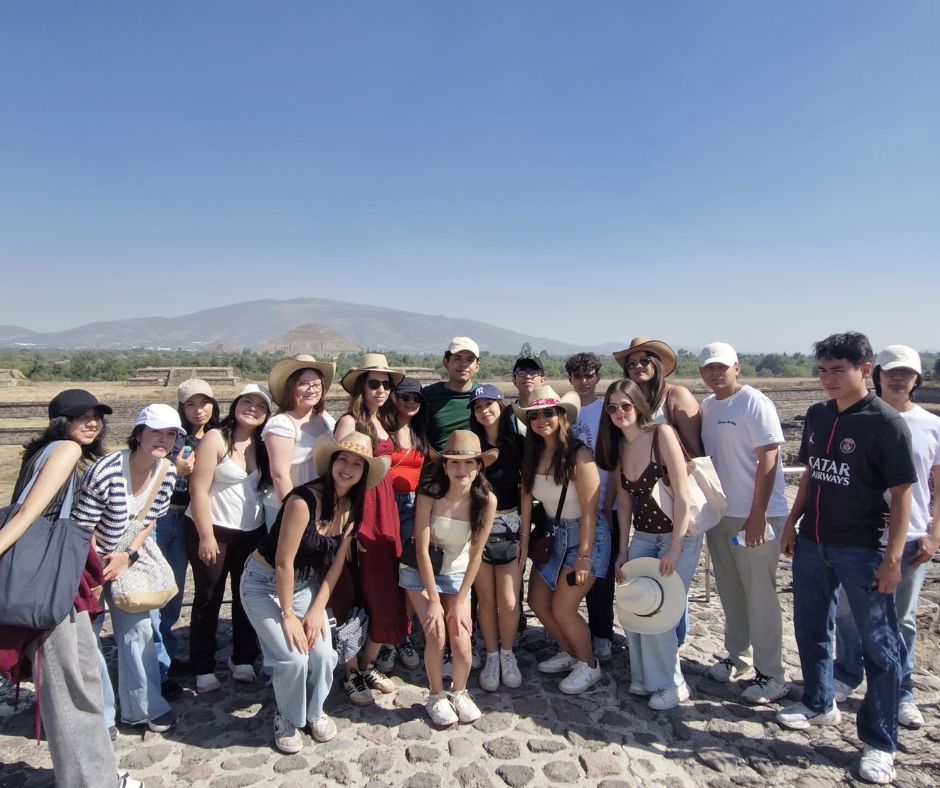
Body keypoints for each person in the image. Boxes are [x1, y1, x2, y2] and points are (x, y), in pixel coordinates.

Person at [779, 332, 915, 786]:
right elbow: (811, 475)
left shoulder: (886, 424)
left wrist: (893, 558)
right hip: (814, 542)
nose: (828, 378)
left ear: (865, 369)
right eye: (823, 370)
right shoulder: (818, 415)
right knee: (811, 626)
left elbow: (902, 497)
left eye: (838, 370)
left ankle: (880, 742)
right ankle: (819, 702)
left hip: (862, 549)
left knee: (880, 647)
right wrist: (792, 521)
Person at [1, 390, 143, 788]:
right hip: (53, 577)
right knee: (72, 688)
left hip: (55, 575)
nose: (92, 423)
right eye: (81, 416)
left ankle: (98, 774)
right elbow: (28, 514)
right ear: (59, 422)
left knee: (81, 681)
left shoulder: (42, 454)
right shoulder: (65, 450)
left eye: (96, 416)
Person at [241, 431, 391, 753]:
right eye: (342, 459)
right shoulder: (303, 501)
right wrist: (289, 616)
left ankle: (315, 711)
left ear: (364, 472)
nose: (348, 468)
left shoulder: (352, 508)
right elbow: (283, 562)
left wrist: (315, 610)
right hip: (264, 584)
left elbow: (335, 566)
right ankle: (287, 717)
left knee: (323, 653)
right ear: (332, 462)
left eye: (357, 464)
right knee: (293, 657)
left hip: (306, 587)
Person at [832, 345, 940, 731]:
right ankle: (846, 673)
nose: (898, 378)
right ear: (875, 374)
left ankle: (902, 690)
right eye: (891, 371)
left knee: (902, 619)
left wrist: (935, 534)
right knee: (846, 612)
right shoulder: (856, 418)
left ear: (917, 379)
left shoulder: (931, 425)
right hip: (857, 537)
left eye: (906, 373)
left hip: (911, 538)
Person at [595, 379, 703, 710]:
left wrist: (676, 545)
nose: (619, 412)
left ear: (638, 406)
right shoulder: (620, 446)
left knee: (663, 613)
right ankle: (643, 677)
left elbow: (682, 495)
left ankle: (672, 684)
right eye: (612, 407)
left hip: (677, 534)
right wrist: (623, 551)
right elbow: (625, 503)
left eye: (625, 405)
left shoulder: (661, 435)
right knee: (635, 605)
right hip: (643, 535)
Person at [73, 403, 181, 733]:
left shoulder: (166, 471)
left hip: (128, 556)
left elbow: (151, 519)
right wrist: (96, 570)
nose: (163, 440)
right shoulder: (105, 470)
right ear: (138, 433)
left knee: (139, 631)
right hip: (86, 558)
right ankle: (100, 715)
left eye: (170, 434)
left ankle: (144, 706)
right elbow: (83, 526)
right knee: (88, 638)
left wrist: (127, 556)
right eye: (156, 432)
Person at [698, 342, 789, 704]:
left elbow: (769, 458)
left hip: (754, 515)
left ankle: (772, 674)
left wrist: (758, 515)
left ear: (736, 367)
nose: (715, 373)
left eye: (721, 367)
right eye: (709, 367)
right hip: (721, 513)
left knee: (760, 595)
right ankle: (738, 657)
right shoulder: (708, 406)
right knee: (731, 591)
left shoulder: (754, 402)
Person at [399, 430, 497, 725]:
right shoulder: (429, 494)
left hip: (456, 573)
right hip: (420, 570)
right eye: (454, 462)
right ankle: (436, 695)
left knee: (462, 636)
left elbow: (476, 554)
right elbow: (421, 548)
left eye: (469, 463)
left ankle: (460, 692)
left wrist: (462, 598)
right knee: (436, 632)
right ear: (444, 466)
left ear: (479, 466)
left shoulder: (486, 501)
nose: (461, 469)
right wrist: (433, 601)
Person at [517, 384, 608, 695]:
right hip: (553, 534)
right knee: (537, 601)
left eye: (548, 413)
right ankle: (569, 652)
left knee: (563, 609)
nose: (541, 420)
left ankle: (589, 664)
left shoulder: (579, 455)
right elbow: (526, 499)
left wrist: (585, 556)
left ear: (561, 415)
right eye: (534, 415)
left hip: (585, 536)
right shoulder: (533, 454)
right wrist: (524, 543)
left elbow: (591, 510)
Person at [186, 384, 271, 692]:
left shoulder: (264, 443)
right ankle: (203, 664)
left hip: (251, 531)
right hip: (214, 528)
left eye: (260, 405)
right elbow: (198, 489)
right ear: (235, 405)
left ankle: (243, 657)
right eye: (247, 401)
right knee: (208, 597)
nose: (252, 408)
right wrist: (205, 535)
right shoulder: (216, 438)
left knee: (245, 595)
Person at [334, 353, 408, 705]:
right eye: (374, 383)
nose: (381, 390)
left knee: (384, 589)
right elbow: (339, 476)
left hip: (386, 512)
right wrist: (348, 526)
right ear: (361, 387)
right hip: (362, 512)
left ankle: (368, 663)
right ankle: (350, 670)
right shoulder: (350, 421)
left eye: (387, 384)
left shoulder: (384, 421)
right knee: (354, 592)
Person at [153, 378, 220, 688]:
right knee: (165, 589)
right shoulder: (171, 436)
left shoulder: (219, 436)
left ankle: (168, 657)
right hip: (168, 515)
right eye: (190, 404)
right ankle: (160, 664)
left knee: (182, 592)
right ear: (181, 408)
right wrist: (174, 470)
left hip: (200, 519)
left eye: (204, 403)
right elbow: (144, 467)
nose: (198, 410)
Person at [468, 384, 525, 690]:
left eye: (489, 404)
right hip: (478, 527)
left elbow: (526, 491)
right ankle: (491, 655)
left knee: (509, 600)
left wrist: (525, 535)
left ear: (502, 406)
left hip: (511, 524)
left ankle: (507, 653)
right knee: (487, 600)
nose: (484, 411)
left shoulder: (518, 444)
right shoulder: (470, 444)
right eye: (478, 407)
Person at [566, 352, 618, 665]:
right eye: (578, 376)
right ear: (570, 379)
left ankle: (602, 634)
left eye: (589, 375)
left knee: (602, 574)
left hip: (605, 501)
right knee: (571, 572)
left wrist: (610, 503)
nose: (584, 382)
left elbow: (617, 457)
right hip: (571, 505)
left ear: (598, 377)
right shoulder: (566, 410)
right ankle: (569, 632)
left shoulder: (607, 410)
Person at [377, 376, 429, 673]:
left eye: (416, 398)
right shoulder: (383, 430)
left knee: (408, 572)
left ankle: (403, 635)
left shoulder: (421, 432)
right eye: (405, 397)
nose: (410, 402)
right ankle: (387, 639)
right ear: (395, 398)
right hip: (386, 504)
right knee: (386, 573)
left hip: (414, 506)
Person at [263, 355, 337, 528]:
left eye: (316, 384)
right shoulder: (281, 423)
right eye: (303, 383)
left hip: (322, 505)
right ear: (291, 387)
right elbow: (280, 476)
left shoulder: (325, 418)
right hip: (291, 507)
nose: (312, 389)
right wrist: (294, 516)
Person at [613, 337, 703, 457]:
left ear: (656, 363)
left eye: (644, 361)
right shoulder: (626, 401)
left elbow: (694, 449)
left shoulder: (677, 395)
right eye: (631, 364)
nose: (638, 366)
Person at [422, 337, 481, 452]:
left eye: (470, 360)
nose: (464, 364)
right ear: (446, 362)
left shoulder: (484, 397)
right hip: (437, 462)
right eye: (457, 358)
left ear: (477, 366)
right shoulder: (428, 395)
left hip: (474, 462)